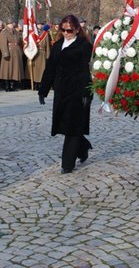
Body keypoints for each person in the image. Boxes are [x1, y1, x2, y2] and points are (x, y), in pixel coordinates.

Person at [38, 14, 93, 174]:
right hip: (61, 91)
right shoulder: (57, 45)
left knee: (73, 127)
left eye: (69, 30)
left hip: (78, 91)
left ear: (76, 29)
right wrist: (43, 90)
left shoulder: (84, 46)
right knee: (65, 125)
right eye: (63, 29)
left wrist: (87, 94)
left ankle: (67, 164)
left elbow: (86, 73)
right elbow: (50, 69)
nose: (66, 32)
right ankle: (83, 148)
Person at [0, 18, 24, 91]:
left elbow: (19, 41)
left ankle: (12, 85)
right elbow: (2, 44)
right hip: (9, 52)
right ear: (8, 24)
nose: (12, 25)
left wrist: (20, 51)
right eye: (11, 23)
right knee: (7, 70)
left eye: (13, 23)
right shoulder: (4, 32)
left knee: (14, 70)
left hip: (16, 52)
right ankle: (7, 86)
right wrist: (5, 53)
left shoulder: (15, 31)